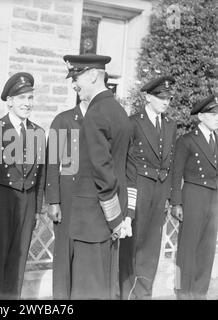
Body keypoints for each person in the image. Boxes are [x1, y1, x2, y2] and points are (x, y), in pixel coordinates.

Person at [64, 53, 135, 299]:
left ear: (94, 75)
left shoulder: (95, 114)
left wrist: (114, 219)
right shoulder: (118, 111)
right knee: (104, 287)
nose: (74, 84)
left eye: (77, 77)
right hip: (109, 219)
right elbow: (126, 167)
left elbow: (103, 172)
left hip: (93, 221)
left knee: (88, 289)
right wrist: (121, 218)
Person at [0, 72, 46, 300]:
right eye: (21, 99)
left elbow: (41, 175)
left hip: (27, 203)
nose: (27, 104)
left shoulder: (38, 133)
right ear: (9, 101)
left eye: (30, 98)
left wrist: (37, 209)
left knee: (19, 262)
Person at [119, 76, 177, 300]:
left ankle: (143, 295)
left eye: (169, 98)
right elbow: (124, 160)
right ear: (149, 97)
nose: (166, 102)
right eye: (161, 97)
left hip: (159, 191)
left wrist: (169, 195)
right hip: (138, 187)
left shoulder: (170, 125)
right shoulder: (134, 122)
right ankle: (125, 293)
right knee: (131, 244)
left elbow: (169, 162)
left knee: (151, 248)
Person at [171, 94, 218, 300]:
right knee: (186, 249)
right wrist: (176, 202)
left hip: (213, 198)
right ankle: (182, 292)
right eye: (213, 113)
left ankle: (200, 293)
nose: (217, 117)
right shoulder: (187, 140)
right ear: (201, 116)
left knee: (207, 249)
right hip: (193, 195)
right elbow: (176, 174)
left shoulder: (217, 140)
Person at [45, 101, 83, 299]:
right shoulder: (64, 120)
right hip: (67, 197)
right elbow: (52, 162)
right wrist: (53, 201)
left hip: (93, 199)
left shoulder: (103, 120)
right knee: (64, 255)